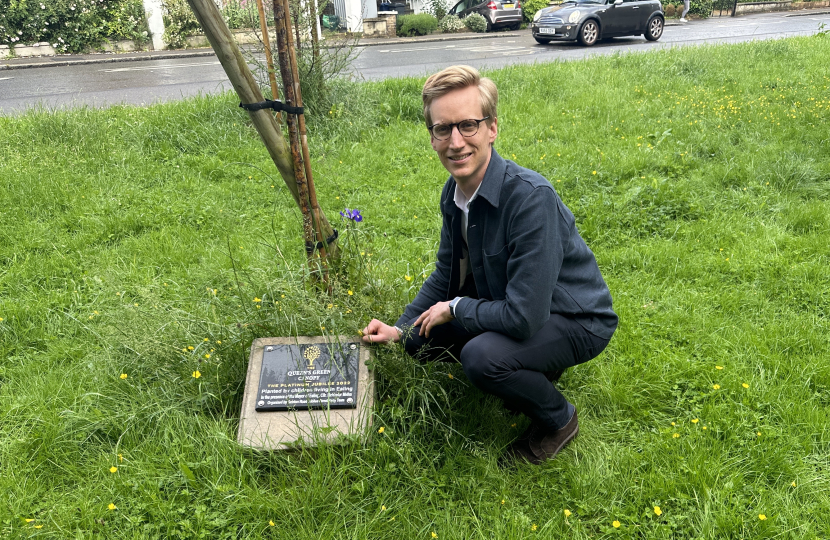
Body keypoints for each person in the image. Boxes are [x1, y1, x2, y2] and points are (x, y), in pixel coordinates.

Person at [361, 65, 618, 465]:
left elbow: (524, 317)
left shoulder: (531, 199)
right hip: (520, 304)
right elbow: (447, 275)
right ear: (431, 137)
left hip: (575, 318)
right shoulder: (455, 193)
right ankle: (533, 369)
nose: (456, 142)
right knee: (420, 342)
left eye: (468, 125)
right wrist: (401, 328)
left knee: (482, 357)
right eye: (442, 129)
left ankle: (558, 420)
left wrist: (458, 309)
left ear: (492, 128)